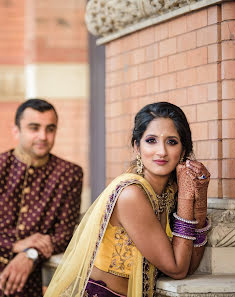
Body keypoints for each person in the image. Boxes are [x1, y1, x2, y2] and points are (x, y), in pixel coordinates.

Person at [44, 101, 210, 297]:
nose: (162, 151)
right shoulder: (132, 194)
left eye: (172, 142)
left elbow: (188, 265)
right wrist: (186, 197)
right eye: (151, 140)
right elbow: (177, 269)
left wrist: (200, 200)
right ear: (137, 147)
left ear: (182, 151)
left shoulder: (168, 194)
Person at [0, 98, 83, 297]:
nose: (43, 136)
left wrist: (30, 254)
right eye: (34, 128)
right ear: (16, 131)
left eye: (50, 129)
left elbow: (63, 236)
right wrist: (14, 246)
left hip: (25, 286)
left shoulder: (69, 174)